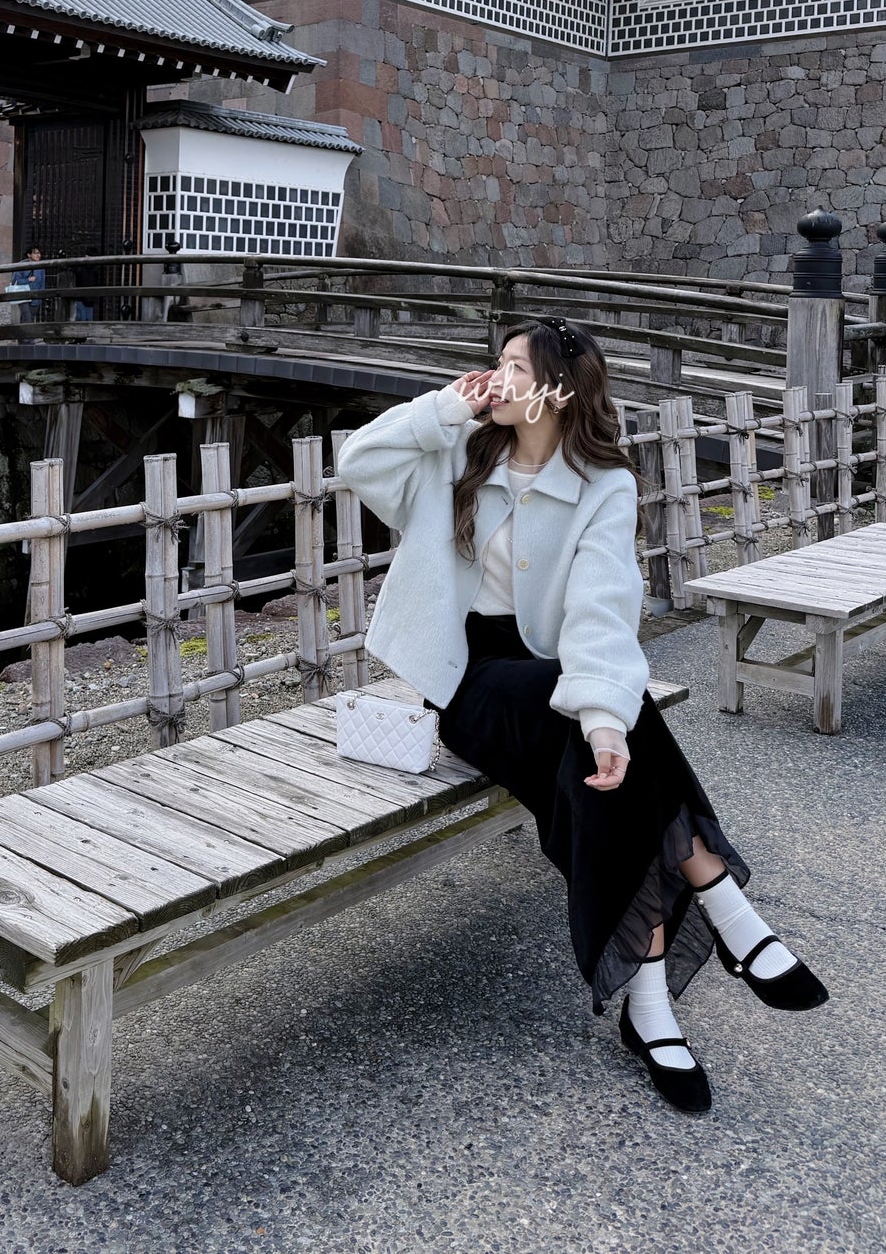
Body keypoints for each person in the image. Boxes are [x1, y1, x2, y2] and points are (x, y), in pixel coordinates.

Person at [334, 317, 828, 1112]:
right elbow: (355, 461)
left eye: (512, 367)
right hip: (462, 675)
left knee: (603, 749)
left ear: (557, 388)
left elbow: (601, 610)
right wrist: (446, 409)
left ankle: (648, 1001)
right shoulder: (457, 450)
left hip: (551, 670)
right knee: (607, 712)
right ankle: (723, 904)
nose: (493, 377)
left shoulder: (605, 483)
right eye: (492, 362)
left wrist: (601, 719)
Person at [6, 244, 45, 321]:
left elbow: (42, 283)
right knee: (27, 317)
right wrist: (28, 280)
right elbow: (15, 281)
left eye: (39, 253)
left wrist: (41, 296)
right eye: (35, 253)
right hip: (23, 295)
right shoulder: (21, 265)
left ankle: (21, 332)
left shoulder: (42, 266)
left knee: (30, 318)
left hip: (36, 296)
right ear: (29, 255)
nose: (38, 255)